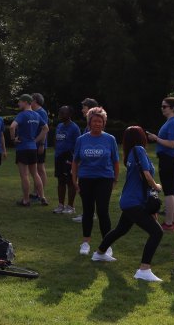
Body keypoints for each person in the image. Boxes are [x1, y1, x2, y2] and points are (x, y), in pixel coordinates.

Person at [92, 126, 164, 282]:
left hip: (130, 200)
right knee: (157, 232)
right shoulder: (138, 150)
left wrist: (151, 205)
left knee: (120, 230)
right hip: (133, 202)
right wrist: (156, 186)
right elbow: (145, 174)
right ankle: (144, 270)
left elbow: (141, 179)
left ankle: (99, 253)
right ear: (140, 138)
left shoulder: (131, 153)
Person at [72, 106, 119, 255]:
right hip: (86, 178)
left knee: (103, 211)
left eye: (100, 121)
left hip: (105, 178)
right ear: (89, 122)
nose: (97, 124)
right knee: (87, 210)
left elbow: (116, 161)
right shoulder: (81, 139)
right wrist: (75, 180)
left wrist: (115, 179)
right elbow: (75, 161)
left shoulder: (110, 139)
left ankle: (107, 244)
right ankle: (85, 242)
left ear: (104, 123)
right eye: (94, 121)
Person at [146, 97, 174, 231]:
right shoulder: (173, 121)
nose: (162, 108)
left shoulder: (173, 123)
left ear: (172, 108)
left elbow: (173, 144)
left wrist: (156, 138)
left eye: (164, 106)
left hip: (168, 160)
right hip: (170, 159)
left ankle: (168, 223)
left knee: (169, 192)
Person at [10, 94, 49, 206]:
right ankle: (43, 197)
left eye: (20, 102)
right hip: (33, 148)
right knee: (35, 173)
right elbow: (45, 128)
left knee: (25, 175)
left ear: (26, 102)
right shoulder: (37, 115)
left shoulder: (22, 115)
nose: (18, 104)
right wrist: (36, 140)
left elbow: (12, 127)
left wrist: (13, 139)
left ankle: (26, 200)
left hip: (22, 148)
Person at [52, 105, 81, 214]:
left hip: (69, 158)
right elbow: (56, 140)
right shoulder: (59, 126)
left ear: (69, 115)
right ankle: (60, 205)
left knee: (70, 181)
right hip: (59, 157)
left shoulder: (74, 128)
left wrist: (74, 158)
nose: (60, 115)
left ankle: (70, 206)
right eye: (59, 112)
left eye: (62, 113)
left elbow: (78, 144)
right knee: (60, 181)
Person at [31, 92, 50, 199]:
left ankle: (40, 193)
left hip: (40, 145)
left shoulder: (41, 112)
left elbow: (45, 129)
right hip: (35, 145)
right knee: (35, 169)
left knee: (40, 168)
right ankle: (35, 192)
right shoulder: (35, 112)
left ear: (35, 101)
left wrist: (42, 144)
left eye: (31, 99)